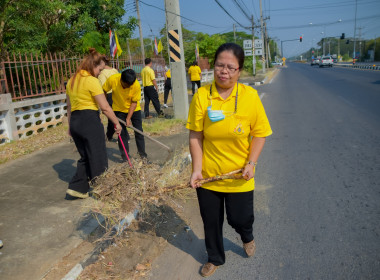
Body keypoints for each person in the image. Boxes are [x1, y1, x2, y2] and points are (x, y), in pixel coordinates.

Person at [186, 43, 272, 277]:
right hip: (209, 175)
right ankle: (214, 257)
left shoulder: (250, 96)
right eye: (219, 66)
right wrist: (197, 170)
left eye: (230, 67)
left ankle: (247, 235)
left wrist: (251, 163)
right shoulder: (202, 96)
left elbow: (260, 133)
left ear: (239, 70)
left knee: (240, 218)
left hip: (239, 174)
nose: (224, 71)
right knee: (211, 221)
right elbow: (195, 135)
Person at [65, 48, 122, 200]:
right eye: (100, 69)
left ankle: (77, 188)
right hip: (89, 120)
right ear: (94, 66)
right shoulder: (91, 80)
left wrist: (70, 126)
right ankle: (103, 190)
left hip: (76, 122)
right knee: (98, 155)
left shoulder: (72, 80)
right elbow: (104, 107)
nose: (100, 73)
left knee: (86, 156)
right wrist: (116, 123)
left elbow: (69, 107)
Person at [103, 69, 148, 160]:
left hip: (134, 110)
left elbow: (134, 103)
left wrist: (128, 118)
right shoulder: (113, 79)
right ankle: (125, 157)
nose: (127, 87)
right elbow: (104, 90)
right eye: (126, 85)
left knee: (139, 131)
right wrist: (105, 104)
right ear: (121, 80)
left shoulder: (136, 85)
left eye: (129, 86)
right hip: (118, 110)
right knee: (121, 133)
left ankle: (142, 155)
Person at [98, 57, 119, 141]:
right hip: (117, 94)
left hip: (109, 95)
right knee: (116, 115)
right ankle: (109, 135)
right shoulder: (115, 70)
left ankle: (110, 135)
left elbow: (103, 89)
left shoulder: (102, 73)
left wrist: (103, 101)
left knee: (111, 116)